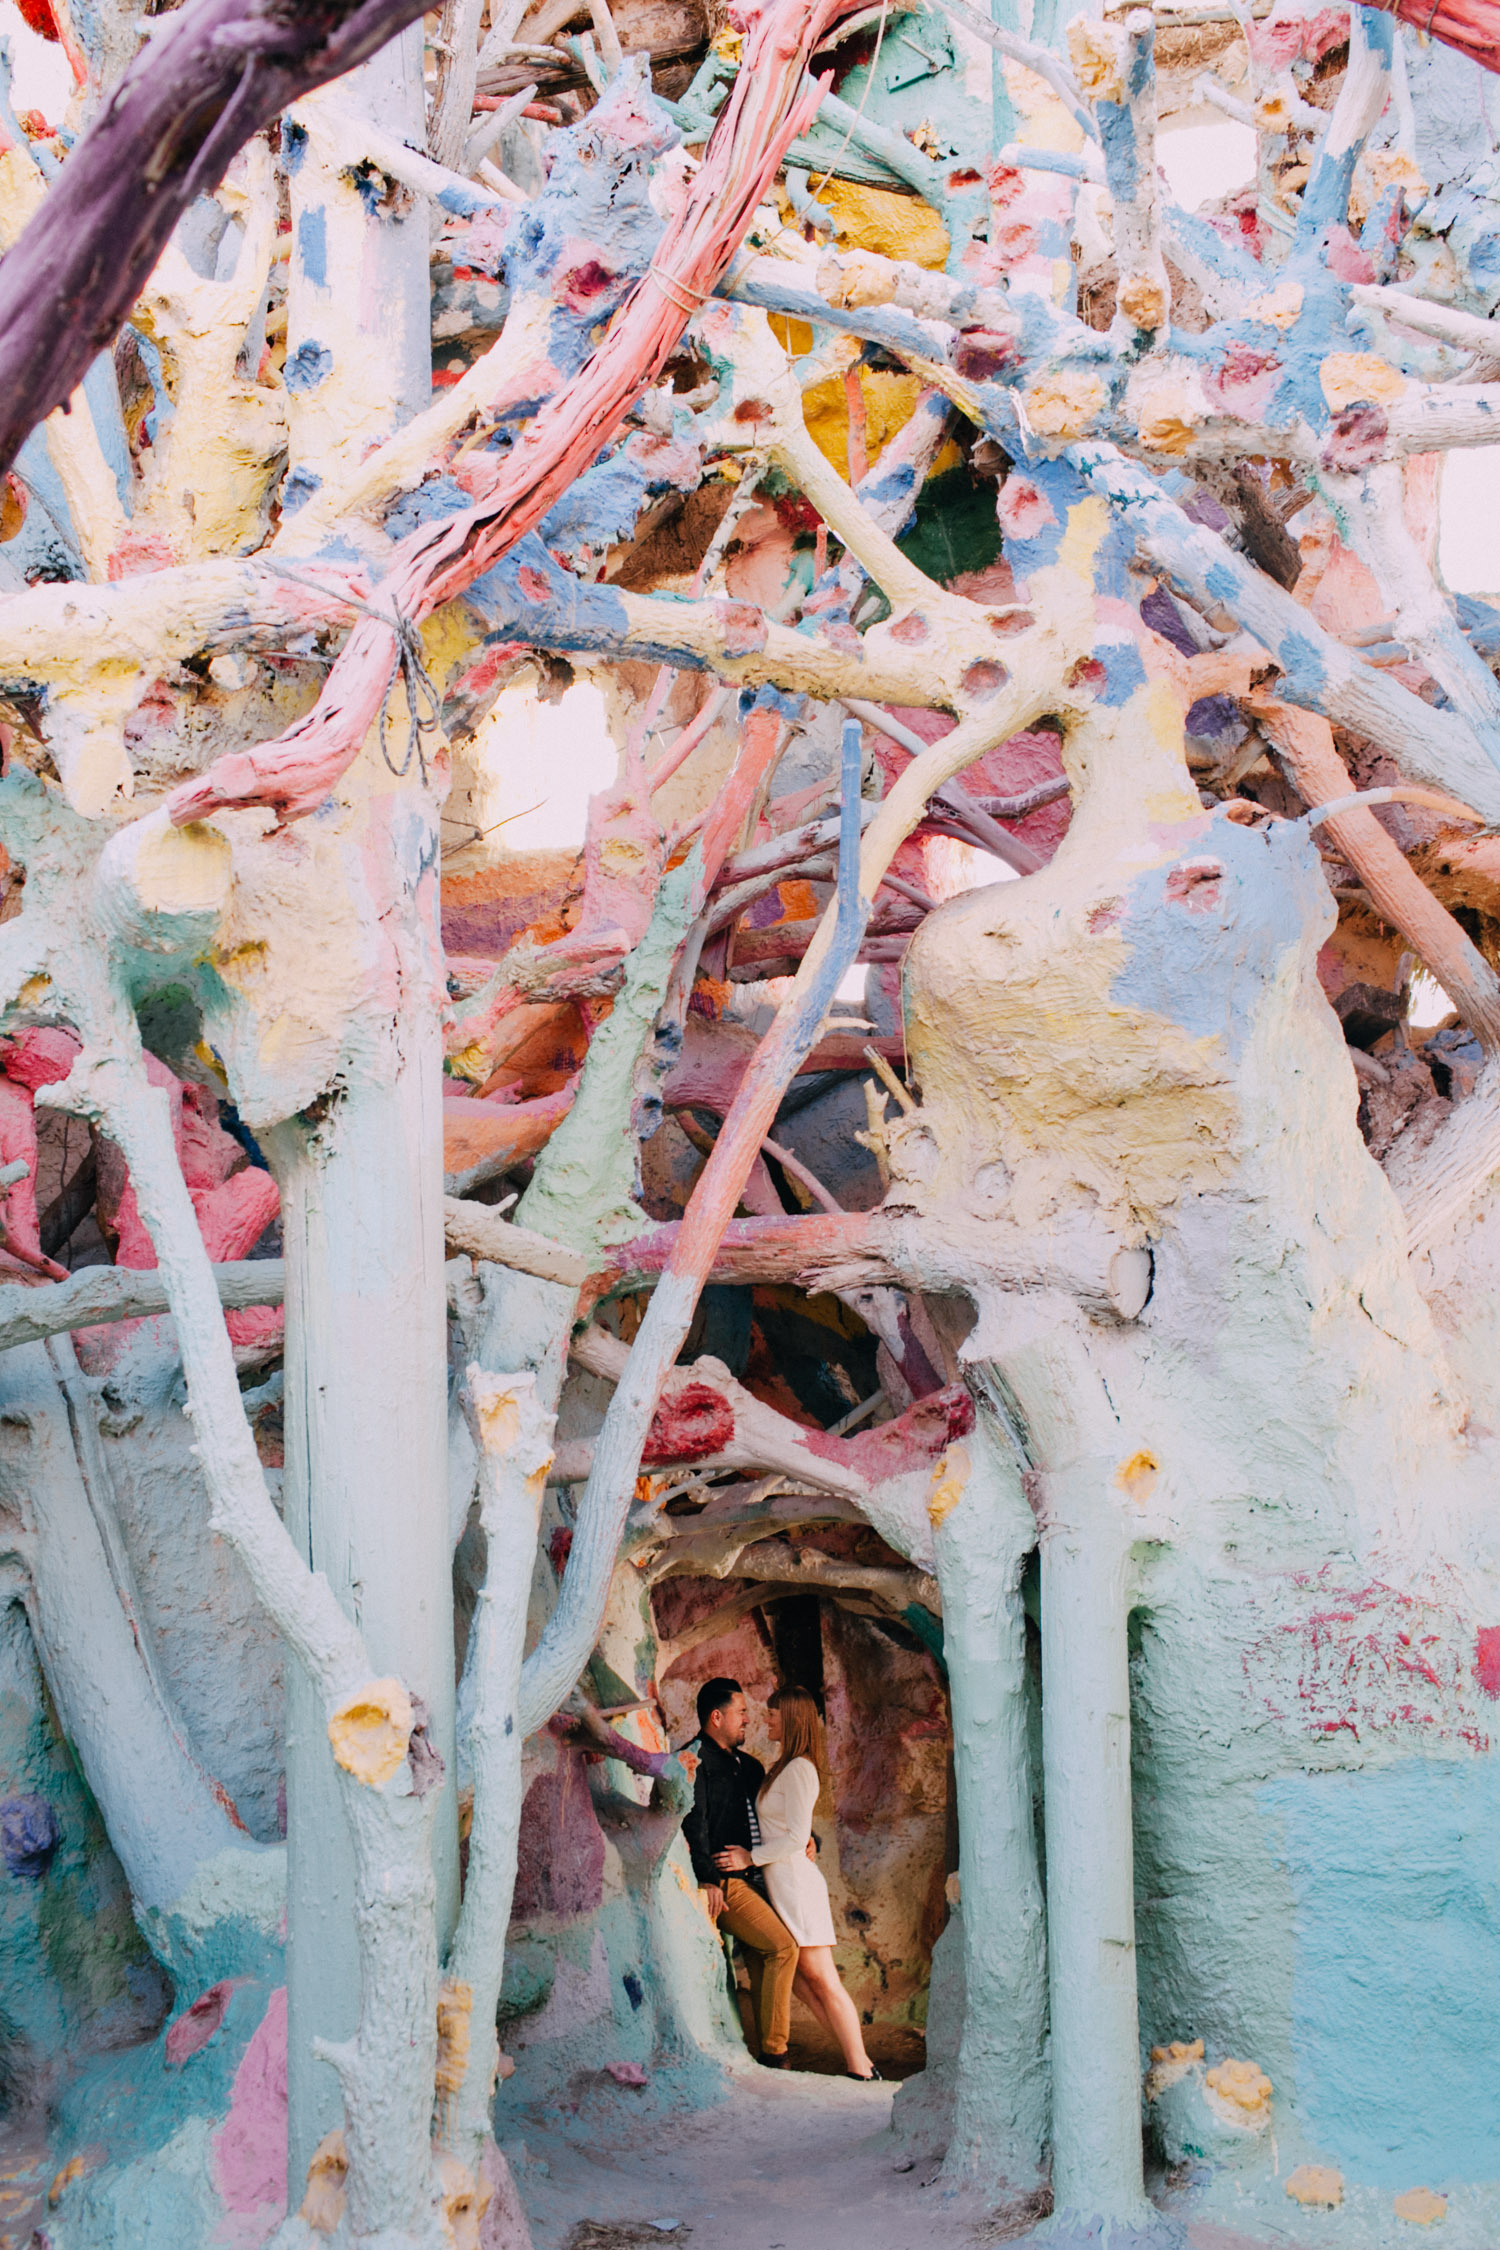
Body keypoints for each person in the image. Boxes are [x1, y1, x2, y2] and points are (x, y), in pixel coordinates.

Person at [714, 1683, 879, 2081]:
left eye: (771, 1714)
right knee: (804, 1985)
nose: (764, 1719)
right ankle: (854, 2059)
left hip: (798, 1888)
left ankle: (861, 2067)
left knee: (823, 1979)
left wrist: (749, 1857)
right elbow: (788, 1830)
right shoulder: (782, 1767)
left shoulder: (802, 1768)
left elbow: (793, 1837)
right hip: (781, 1886)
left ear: (789, 1719)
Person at [681, 1676, 799, 2067]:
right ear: (717, 1717)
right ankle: (776, 2052)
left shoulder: (749, 1767)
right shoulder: (693, 1761)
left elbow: (774, 1817)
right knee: (782, 1948)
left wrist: (808, 1837)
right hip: (728, 1882)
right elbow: (693, 1824)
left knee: (766, 1953)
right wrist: (708, 1880)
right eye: (741, 1712)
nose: (747, 1720)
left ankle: (768, 2047)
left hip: (758, 1876)